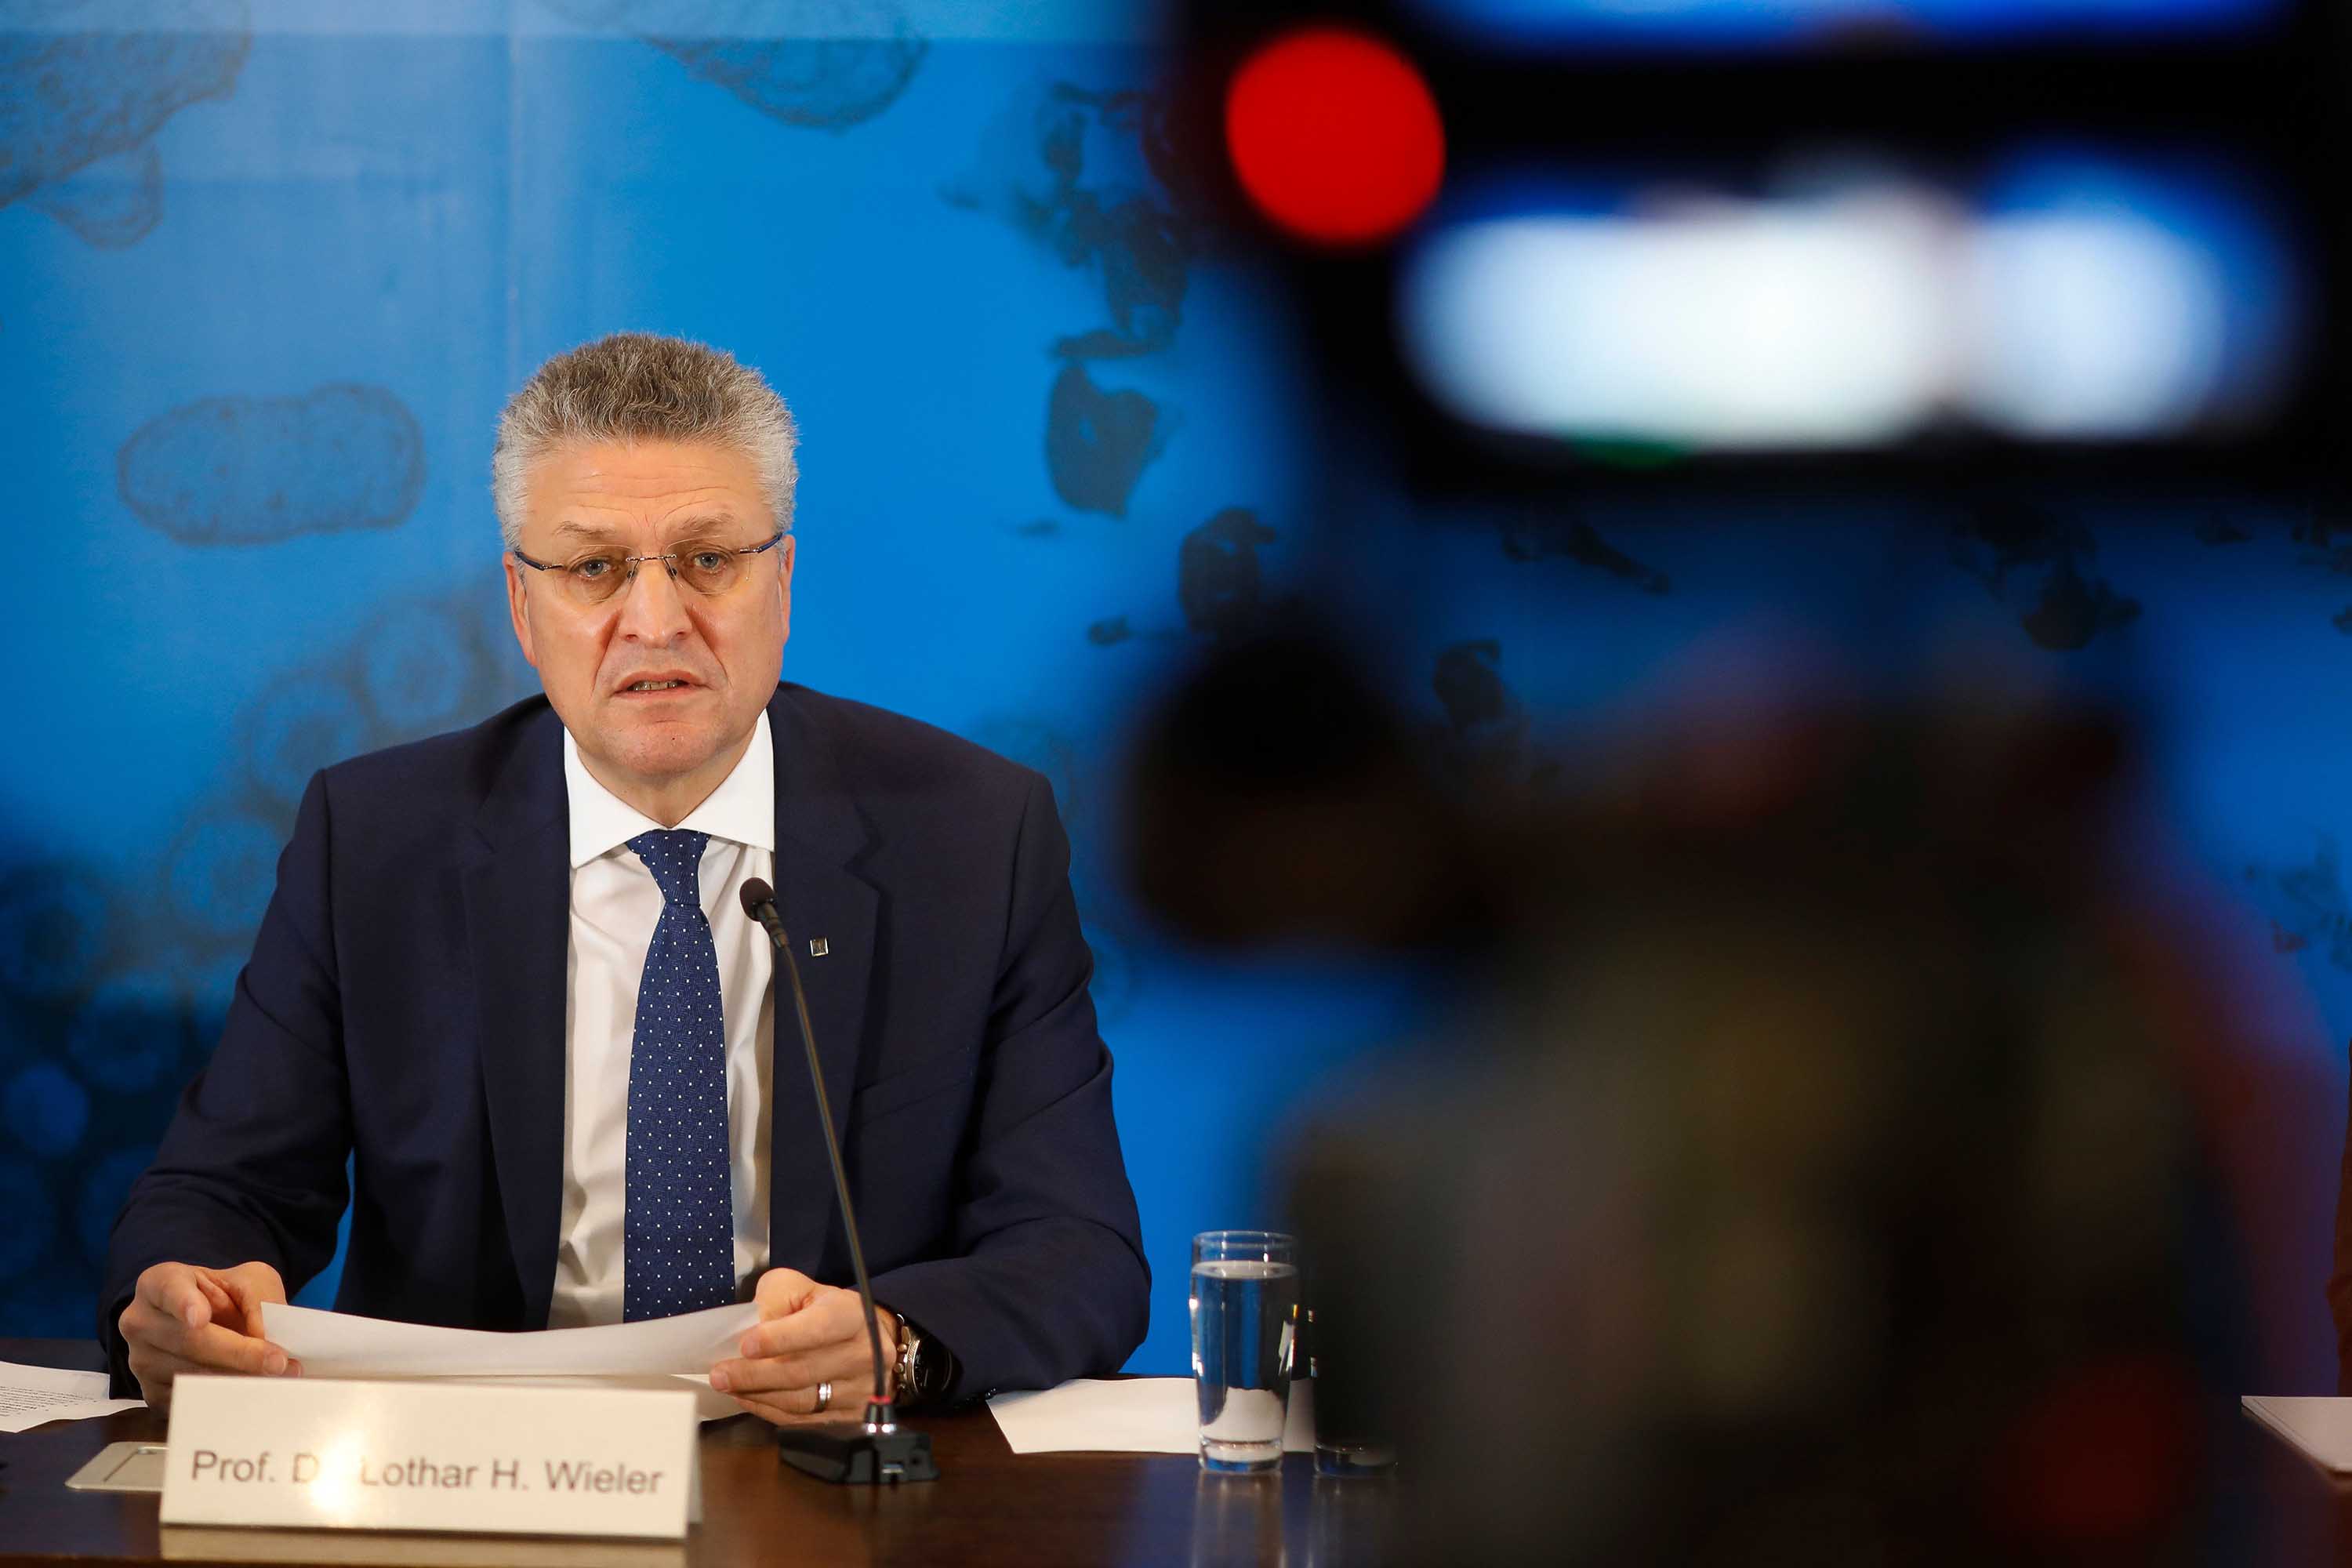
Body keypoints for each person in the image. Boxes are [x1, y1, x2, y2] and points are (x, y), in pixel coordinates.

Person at [100, 332, 1149, 1420]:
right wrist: (182, 1299)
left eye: (708, 558)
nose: (656, 621)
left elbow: (1078, 1250)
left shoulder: (974, 837)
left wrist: (897, 1342)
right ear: (522, 605)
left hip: (822, 1465)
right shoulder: (373, 841)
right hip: (472, 1469)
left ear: (780, 580)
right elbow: (220, 1192)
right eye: (595, 567)